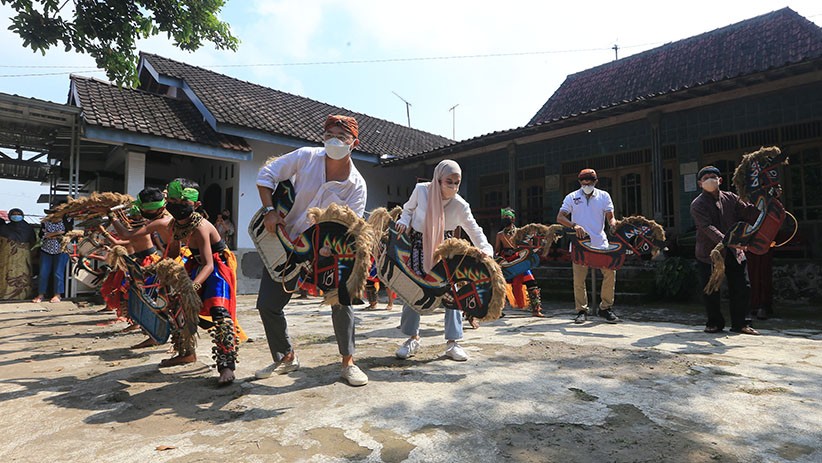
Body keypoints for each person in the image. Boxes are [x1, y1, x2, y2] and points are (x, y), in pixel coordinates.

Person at [254, 114, 369, 386]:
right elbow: (266, 175)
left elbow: (351, 226)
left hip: (328, 250)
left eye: (342, 137)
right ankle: (286, 357)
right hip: (286, 241)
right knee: (267, 305)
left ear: (355, 143)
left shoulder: (357, 185)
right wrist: (270, 211)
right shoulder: (305, 157)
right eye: (330, 134)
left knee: (342, 300)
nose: (335, 141)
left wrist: (331, 248)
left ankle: (348, 362)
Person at [394, 159, 494, 362]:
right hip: (417, 246)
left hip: (445, 249)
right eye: (449, 181)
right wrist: (403, 221)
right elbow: (408, 209)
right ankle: (412, 339)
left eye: (457, 182)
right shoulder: (421, 190)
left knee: (452, 292)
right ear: (438, 179)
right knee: (413, 291)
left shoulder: (460, 205)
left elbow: (474, 229)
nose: (454, 187)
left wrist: (485, 249)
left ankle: (453, 342)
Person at [163, 178, 243, 385]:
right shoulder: (174, 225)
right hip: (195, 265)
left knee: (219, 312)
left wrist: (193, 286)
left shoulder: (201, 226)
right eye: (173, 200)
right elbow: (172, 253)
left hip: (217, 266)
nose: (177, 206)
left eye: (183, 203)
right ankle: (186, 352)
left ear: (196, 205)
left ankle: (227, 367)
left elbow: (209, 264)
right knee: (179, 307)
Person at [690, 166, 760, 335]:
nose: (710, 179)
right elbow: (706, 227)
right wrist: (728, 241)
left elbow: (749, 213)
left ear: (720, 180)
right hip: (710, 254)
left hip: (735, 252)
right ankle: (714, 323)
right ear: (700, 183)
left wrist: (763, 200)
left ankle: (741, 323)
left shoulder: (732, 198)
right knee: (711, 288)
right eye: (705, 177)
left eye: (713, 176)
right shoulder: (697, 204)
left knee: (742, 286)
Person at [556, 168, 620, 324]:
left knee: (610, 274)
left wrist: (613, 225)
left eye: (590, 183)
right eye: (584, 183)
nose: (587, 186)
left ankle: (605, 308)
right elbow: (560, 217)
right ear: (579, 182)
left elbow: (610, 217)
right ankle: (581, 310)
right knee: (579, 279)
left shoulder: (604, 196)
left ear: (595, 182)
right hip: (580, 244)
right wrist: (574, 225)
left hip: (600, 242)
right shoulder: (572, 197)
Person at [494, 207, 544, 318]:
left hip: (520, 259)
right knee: (500, 284)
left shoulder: (520, 232)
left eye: (508, 217)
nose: (506, 219)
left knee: (531, 282)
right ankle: (498, 310)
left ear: (513, 219)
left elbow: (527, 245)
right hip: (507, 261)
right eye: (504, 217)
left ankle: (536, 310)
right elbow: (497, 250)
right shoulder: (500, 235)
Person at [745, 185, 783, 321]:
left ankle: (764, 305)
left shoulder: (770, 195)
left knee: (764, 271)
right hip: (750, 238)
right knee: (752, 272)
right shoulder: (746, 196)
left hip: (766, 237)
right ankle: (754, 304)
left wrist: (776, 196)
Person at [32, 206, 71, 304]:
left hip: (61, 250)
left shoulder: (67, 221)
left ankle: (57, 294)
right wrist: (58, 233)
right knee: (43, 273)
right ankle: (41, 294)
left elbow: (68, 233)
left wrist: (52, 234)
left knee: (58, 273)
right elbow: (42, 235)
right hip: (46, 250)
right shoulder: (45, 222)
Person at [0, 208, 37, 300]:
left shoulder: (28, 228)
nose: (16, 216)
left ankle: (23, 295)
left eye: (18, 214)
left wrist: (21, 248)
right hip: (6, 257)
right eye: (14, 214)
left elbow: (32, 241)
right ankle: (5, 295)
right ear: (9, 216)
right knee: (7, 275)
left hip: (23, 258)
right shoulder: (4, 228)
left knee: (22, 275)